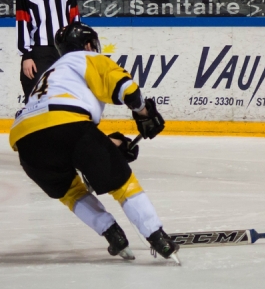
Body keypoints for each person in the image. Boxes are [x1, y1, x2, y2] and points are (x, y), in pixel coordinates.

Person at [9, 22, 179, 263]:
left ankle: (113, 234)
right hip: (69, 126)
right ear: (88, 44)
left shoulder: (49, 74)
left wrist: (110, 145)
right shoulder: (85, 58)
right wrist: (145, 114)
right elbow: (127, 90)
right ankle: (157, 237)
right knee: (122, 183)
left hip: (26, 140)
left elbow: (54, 128)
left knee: (71, 192)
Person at [16, 0, 80, 103]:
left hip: (64, 52)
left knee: (66, 99)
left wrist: (77, 45)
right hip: (39, 53)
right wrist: (26, 55)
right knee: (36, 101)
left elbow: (74, 18)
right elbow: (23, 22)